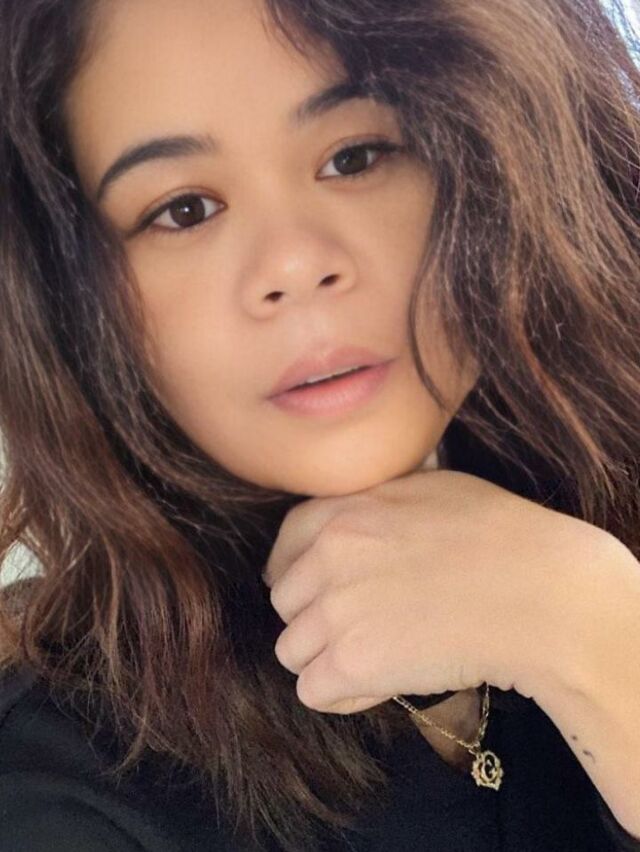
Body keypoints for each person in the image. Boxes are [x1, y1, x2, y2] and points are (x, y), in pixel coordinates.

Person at [0, 0, 639, 849]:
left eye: (355, 156)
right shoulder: (56, 782)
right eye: (185, 210)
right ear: (71, 302)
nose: (296, 263)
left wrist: (598, 639)